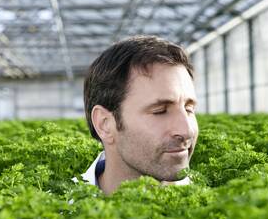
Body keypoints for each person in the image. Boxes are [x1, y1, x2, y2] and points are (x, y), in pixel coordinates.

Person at [80, 35, 199, 195]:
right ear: (105, 124)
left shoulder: (220, 207)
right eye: (160, 111)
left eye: (189, 109)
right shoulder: (60, 212)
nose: (187, 131)